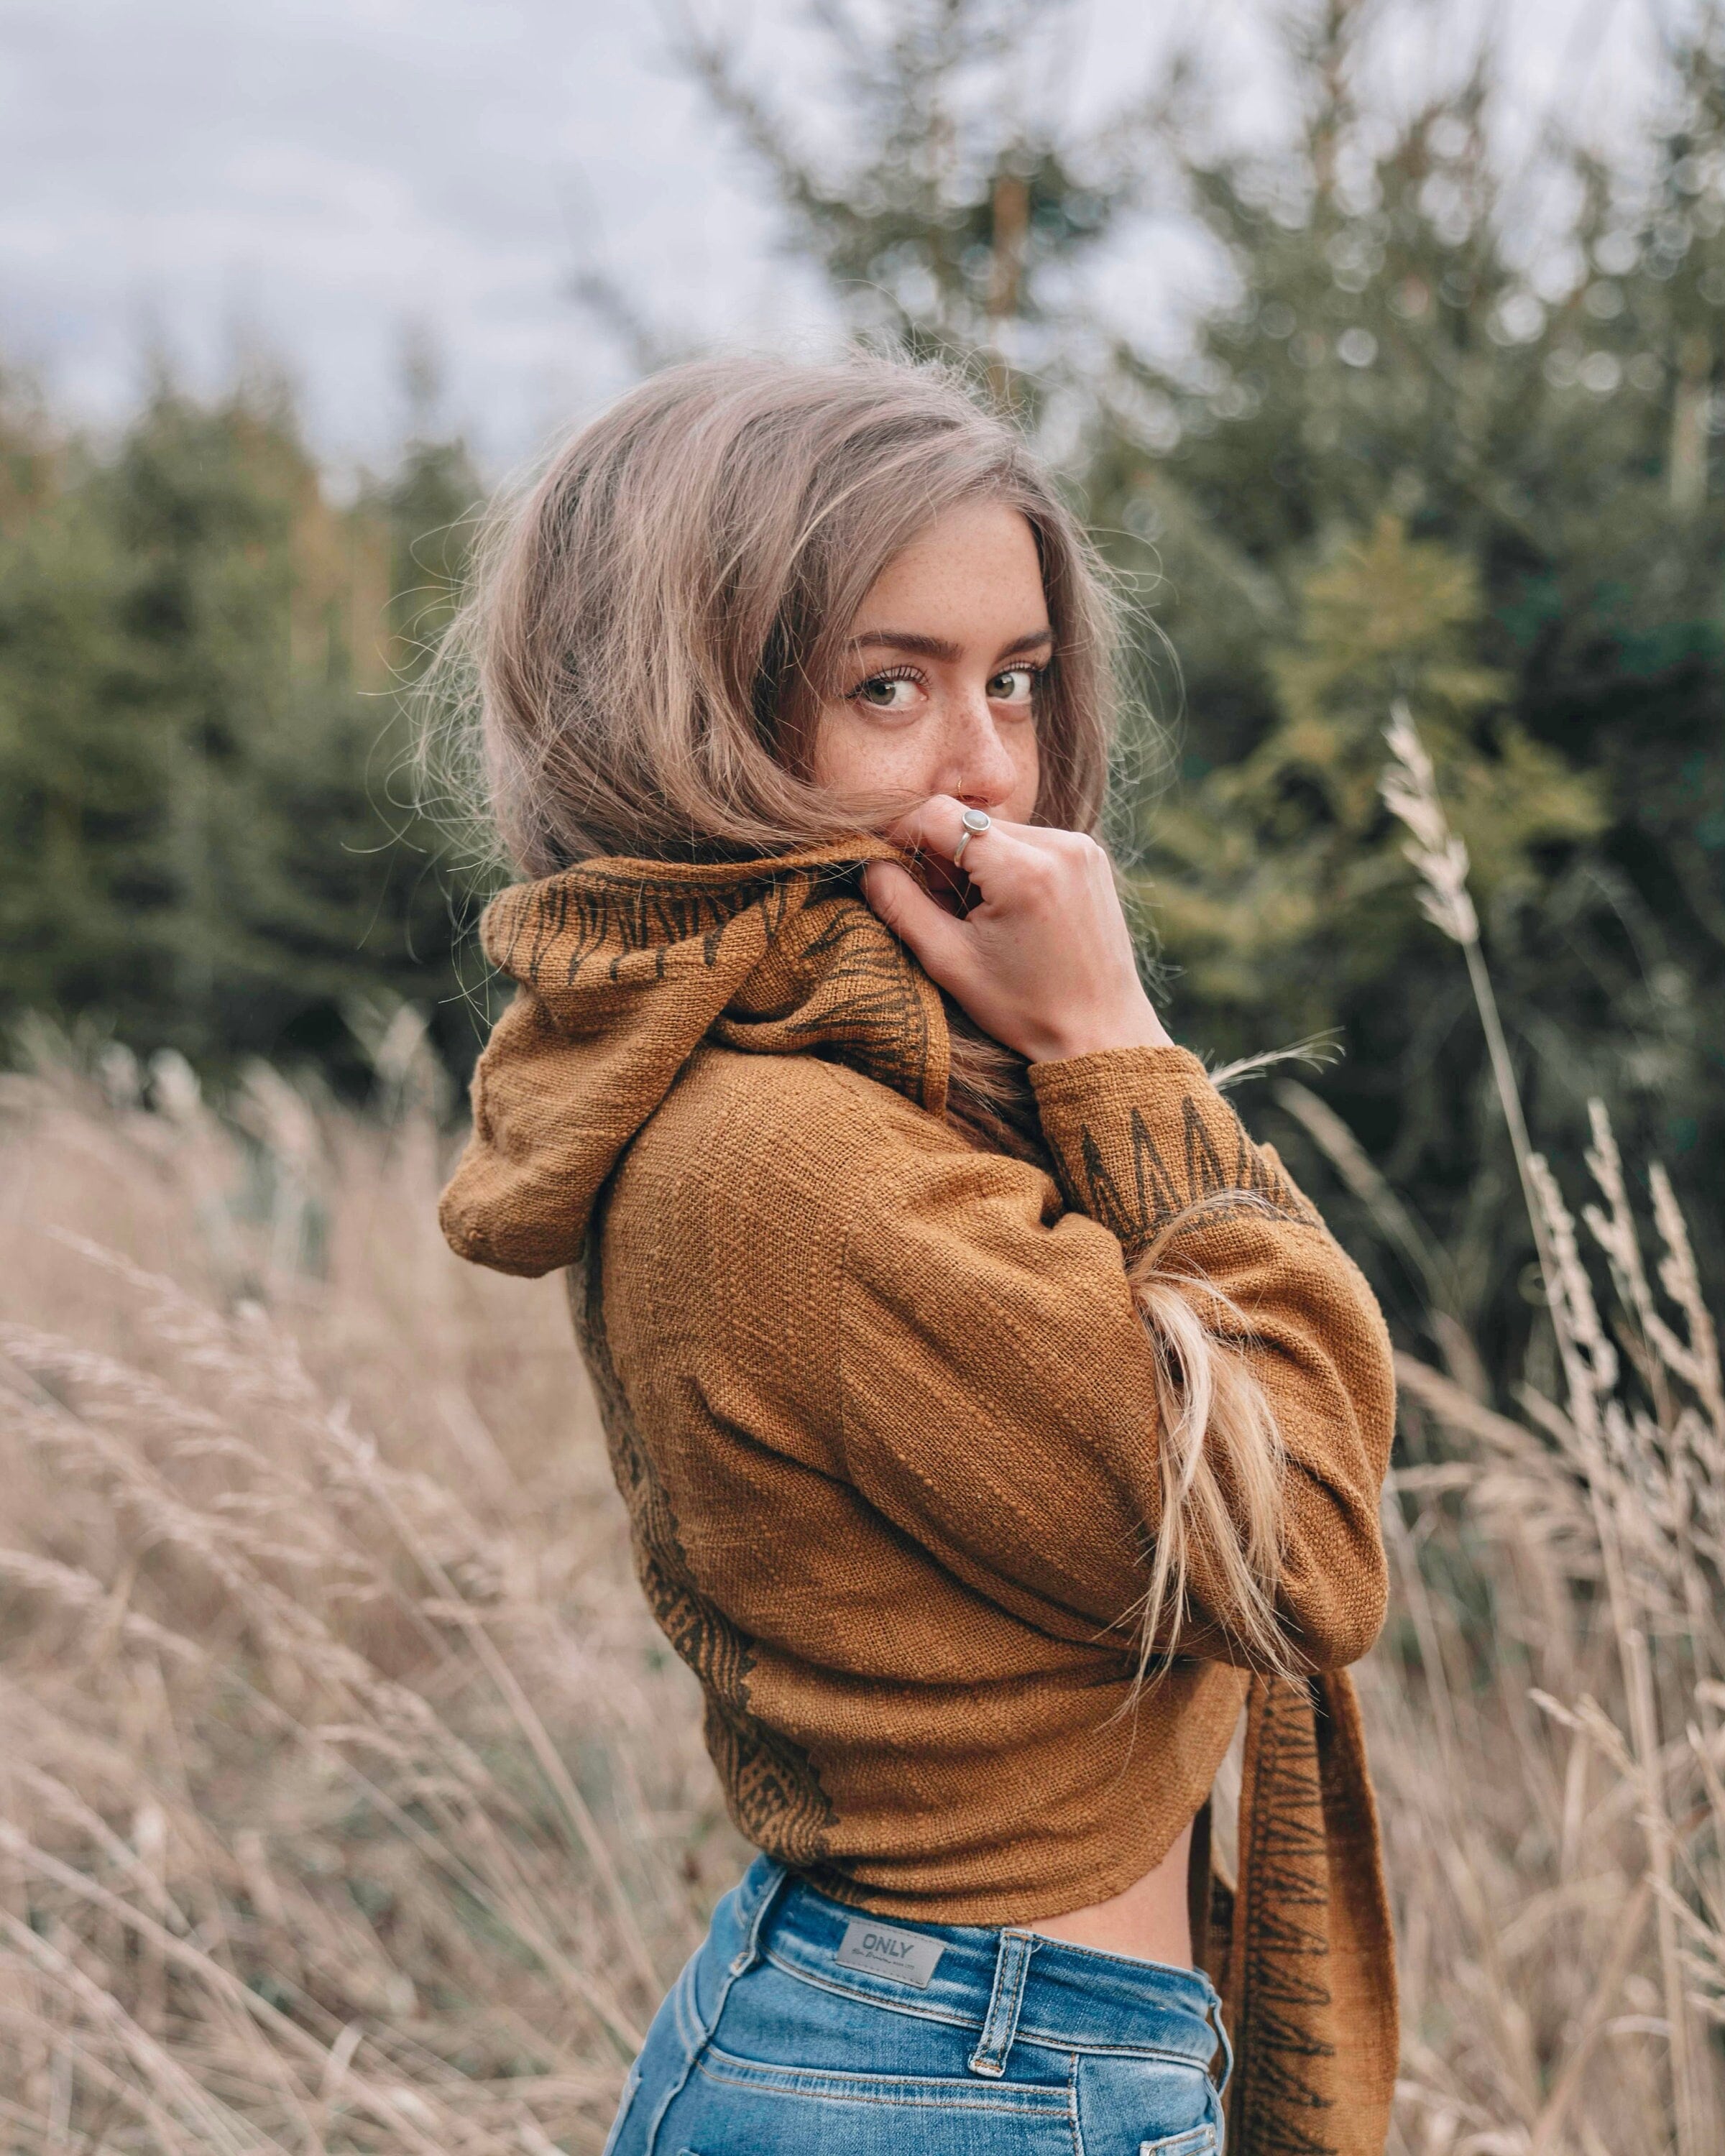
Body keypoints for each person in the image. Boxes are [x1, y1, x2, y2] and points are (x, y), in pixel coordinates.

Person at [436, 354, 1398, 2156]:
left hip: (983, 2051)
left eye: (1015, 683)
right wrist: (1117, 1042)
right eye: (892, 686)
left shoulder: (865, 1072)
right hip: (965, 2085)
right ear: (683, 715)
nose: (992, 771)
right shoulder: (792, 1162)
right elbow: (1310, 1546)